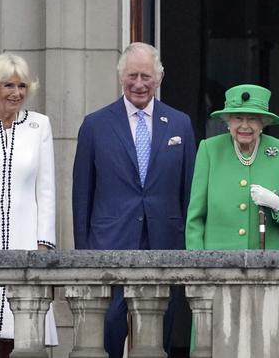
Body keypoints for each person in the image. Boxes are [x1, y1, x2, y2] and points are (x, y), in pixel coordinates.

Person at [72, 42, 196, 358]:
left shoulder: (180, 123)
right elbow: (82, 194)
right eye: (132, 76)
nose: (139, 84)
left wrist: (186, 244)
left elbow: (189, 191)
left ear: (159, 79)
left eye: (146, 76)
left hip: (164, 243)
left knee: (157, 338)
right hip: (109, 244)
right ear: (120, 78)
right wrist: (84, 253)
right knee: (108, 332)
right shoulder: (95, 124)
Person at [186, 83, 279, 355]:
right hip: (215, 271)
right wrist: (197, 265)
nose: (245, 125)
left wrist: (276, 204)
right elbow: (195, 217)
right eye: (238, 118)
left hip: (266, 270)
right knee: (214, 344)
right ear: (227, 122)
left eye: (252, 118)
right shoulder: (209, 149)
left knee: (261, 344)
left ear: (263, 123)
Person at [0, 53, 58, 357]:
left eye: (21, 86)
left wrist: (44, 243)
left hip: (24, 239)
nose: (16, 93)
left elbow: (46, 189)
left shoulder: (39, 126)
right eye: (9, 85)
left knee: (23, 334)